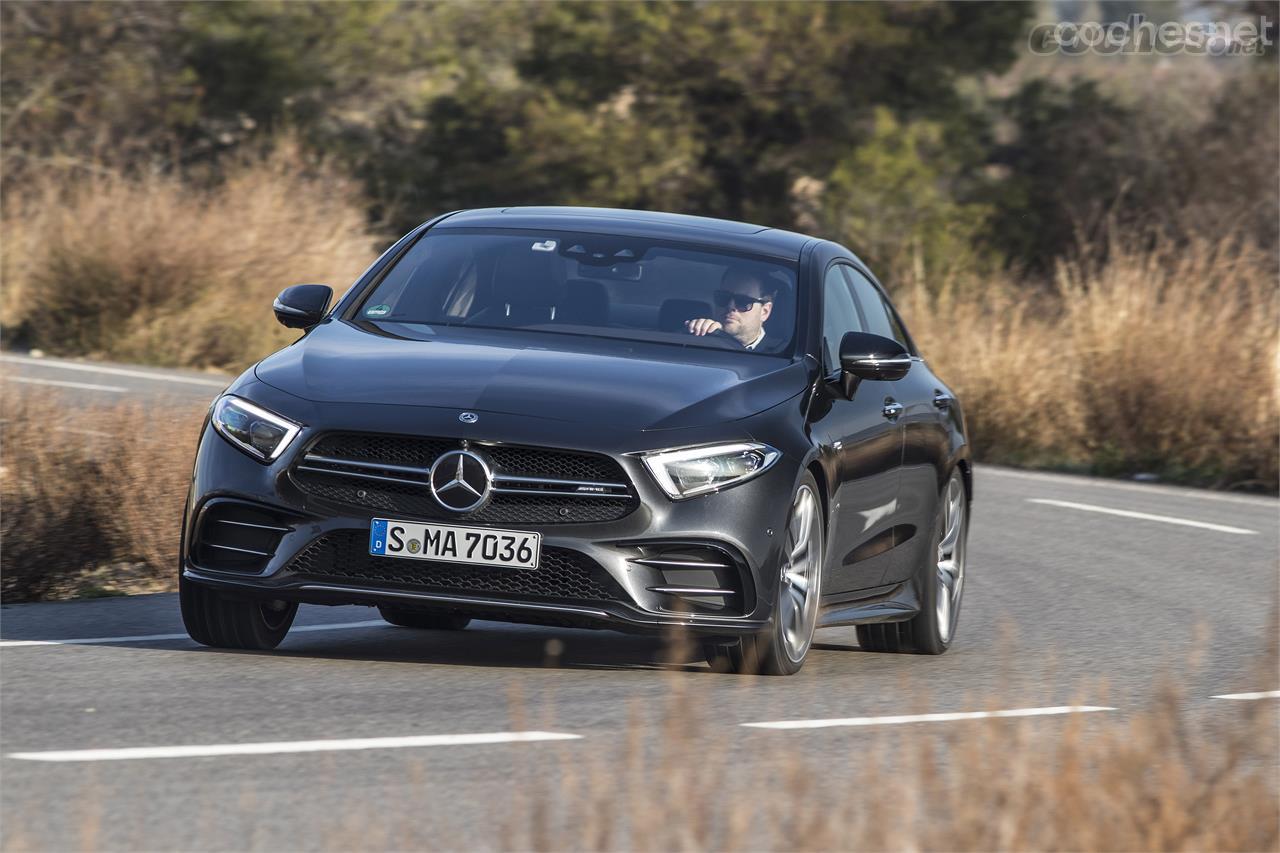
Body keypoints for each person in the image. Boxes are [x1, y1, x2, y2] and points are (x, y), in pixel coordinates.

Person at [685, 266, 779, 350]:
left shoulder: (783, 357)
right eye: (723, 297)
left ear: (764, 312)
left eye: (743, 301)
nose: (730, 306)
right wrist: (697, 335)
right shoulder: (696, 343)